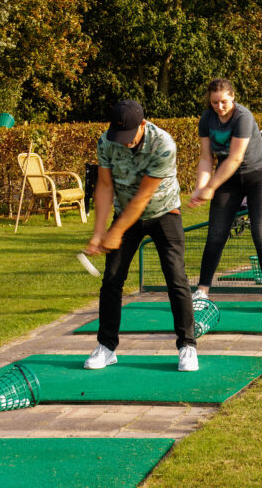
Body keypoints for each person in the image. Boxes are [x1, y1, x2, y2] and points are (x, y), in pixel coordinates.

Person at [83, 100, 197, 372]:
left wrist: (116, 231)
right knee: (112, 280)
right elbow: (104, 185)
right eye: (118, 137)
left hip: (163, 211)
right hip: (124, 212)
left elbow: (144, 196)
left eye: (129, 136)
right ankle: (107, 347)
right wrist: (99, 232)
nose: (123, 143)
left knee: (175, 277)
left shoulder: (163, 144)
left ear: (143, 125)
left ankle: (187, 346)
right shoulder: (107, 141)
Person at [188, 79, 262, 312]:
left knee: (261, 234)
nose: (220, 107)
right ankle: (202, 292)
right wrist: (201, 187)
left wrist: (210, 187)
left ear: (233, 97)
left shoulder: (243, 117)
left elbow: (236, 158)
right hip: (228, 180)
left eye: (224, 102)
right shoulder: (207, 119)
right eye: (215, 103)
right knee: (216, 234)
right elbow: (207, 158)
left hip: (259, 177)